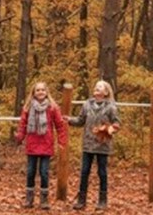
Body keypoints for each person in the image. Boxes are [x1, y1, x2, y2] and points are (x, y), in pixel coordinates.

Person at [66, 80, 120, 210]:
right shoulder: (86, 105)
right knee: (84, 171)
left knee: (102, 172)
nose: (97, 88)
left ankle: (102, 200)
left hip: (103, 145)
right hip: (88, 144)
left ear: (106, 92)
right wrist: (69, 120)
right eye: (96, 86)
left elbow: (117, 123)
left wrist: (109, 129)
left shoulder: (111, 107)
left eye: (100, 87)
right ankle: (81, 200)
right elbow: (80, 121)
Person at [15, 82, 68, 210]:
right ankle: (29, 198)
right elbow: (23, 124)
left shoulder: (52, 108)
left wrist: (62, 141)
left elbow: (60, 125)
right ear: (33, 93)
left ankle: (44, 199)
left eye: (42, 90)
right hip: (32, 144)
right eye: (37, 90)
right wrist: (19, 137)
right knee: (30, 172)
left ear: (47, 92)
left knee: (44, 172)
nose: (40, 92)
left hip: (46, 144)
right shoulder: (28, 107)